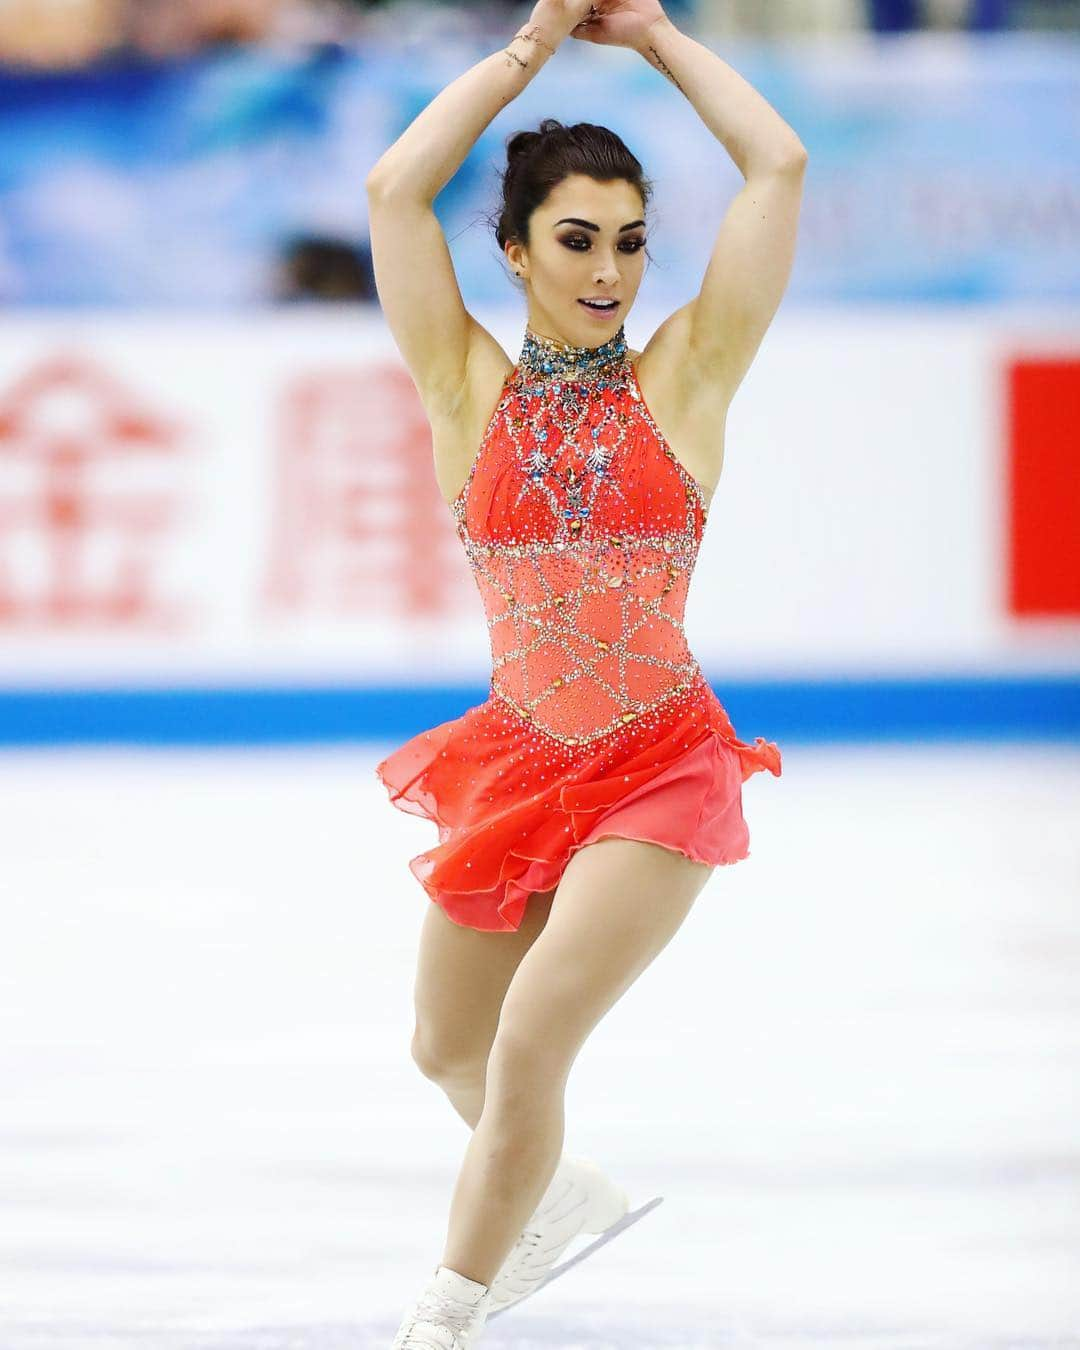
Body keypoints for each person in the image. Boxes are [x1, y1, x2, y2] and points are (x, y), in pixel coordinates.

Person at [366, 0, 805, 1342]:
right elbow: (394, 189)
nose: (610, 267)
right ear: (514, 251)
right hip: (518, 758)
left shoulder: (686, 380)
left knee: (525, 1046)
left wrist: (659, 36)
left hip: (658, 764)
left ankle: (440, 1317)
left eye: (628, 240)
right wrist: (532, 47)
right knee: (446, 1050)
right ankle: (555, 1191)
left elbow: (778, 166)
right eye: (576, 239)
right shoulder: (465, 393)